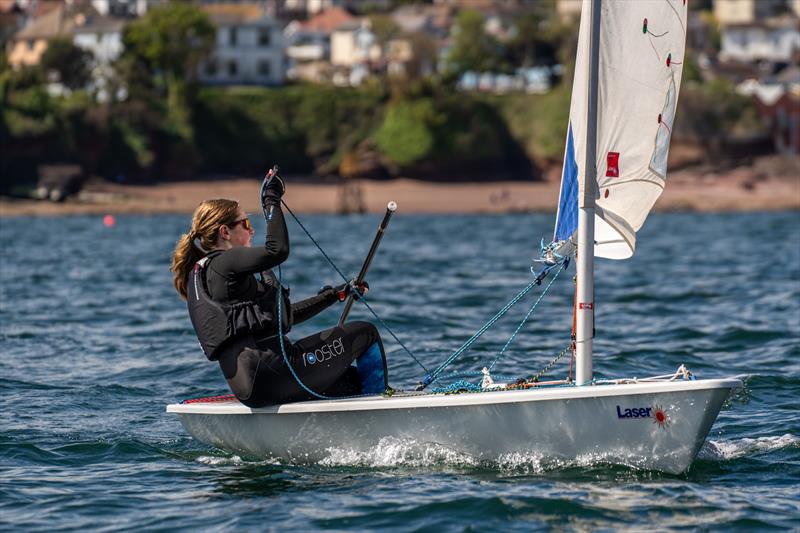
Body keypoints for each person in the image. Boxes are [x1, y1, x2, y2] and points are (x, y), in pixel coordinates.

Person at [170, 170, 388, 407]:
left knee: (352, 382)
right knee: (366, 333)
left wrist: (335, 295)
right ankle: (383, 414)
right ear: (225, 232)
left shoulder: (205, 274)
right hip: (276, 372)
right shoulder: (225, 262)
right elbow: (277, 250)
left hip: (252, 389)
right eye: (245, 223)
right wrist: (271, 199)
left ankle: (355, 415)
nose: (251, 230)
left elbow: (283, 315)